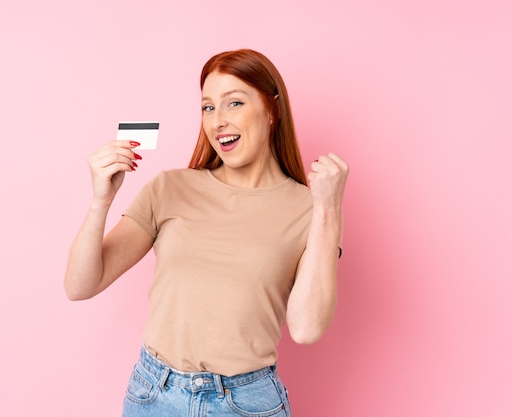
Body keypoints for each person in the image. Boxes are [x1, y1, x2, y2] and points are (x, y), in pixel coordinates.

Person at [64, 48, 349, 416]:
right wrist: (100, 201)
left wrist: (328, 208)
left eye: (234, 103)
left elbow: (307, 328)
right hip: (154, 396)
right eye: (208, 107)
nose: (218, 121)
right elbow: (80, 285)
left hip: (246, 403)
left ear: (272, 108)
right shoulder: (170, 188)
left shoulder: (310, 209)